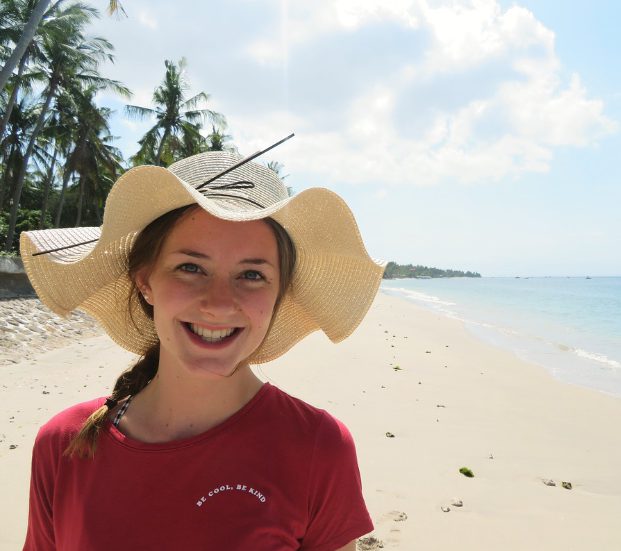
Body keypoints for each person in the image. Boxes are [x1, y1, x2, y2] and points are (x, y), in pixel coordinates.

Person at [19, 143, 384, 550]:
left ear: (278, 294)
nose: (219, 303)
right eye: (190, 268)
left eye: (251, 274)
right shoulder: (65, 443)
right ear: (145, 281)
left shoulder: (318, 448)